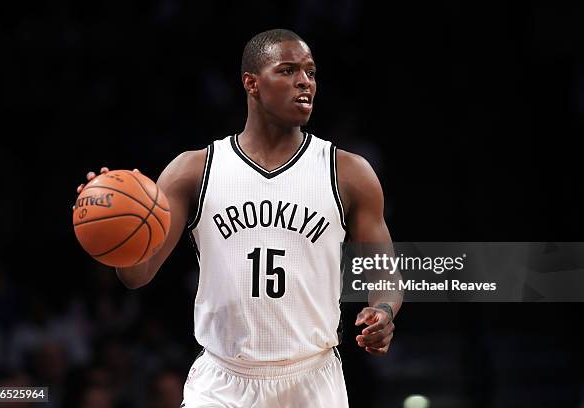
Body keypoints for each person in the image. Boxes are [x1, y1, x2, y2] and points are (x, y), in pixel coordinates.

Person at [76, 28, 401, 407]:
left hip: (312, 379)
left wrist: (382, 311)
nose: (304, 82)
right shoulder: (193, 170)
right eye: (288, 70)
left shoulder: (347, 172)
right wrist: (117, 231)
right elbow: (137, 275)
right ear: (251, 83)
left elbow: (384, 272)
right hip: (222, 380)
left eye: (310, 72)